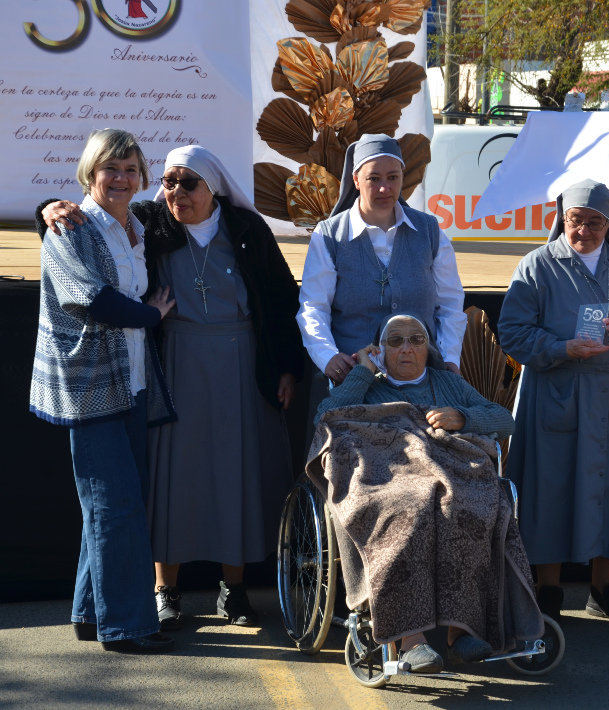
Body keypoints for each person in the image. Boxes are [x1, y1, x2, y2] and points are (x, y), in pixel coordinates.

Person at [39, 145, 304, 630]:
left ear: (213, 187)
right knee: (173, 477)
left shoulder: (247, 230)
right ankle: (165, 589)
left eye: (188, 183)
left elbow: (283, 299)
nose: (175, 191)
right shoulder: (151, 221)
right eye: (168, 181)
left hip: (243, 369)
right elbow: (88, 218)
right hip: (175, 367)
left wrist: (287, 367)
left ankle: (235, 589)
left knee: (235, 474)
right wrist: (48, 209)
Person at [498, 179, 609, 625]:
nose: (585, 231)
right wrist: (563, 349)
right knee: (550, 490)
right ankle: (548, 590)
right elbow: (513, 333)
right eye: (576, 220)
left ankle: (605, 589)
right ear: (562, 218)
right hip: (558, 393)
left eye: (596, 222)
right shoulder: (537, 266)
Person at [30, 128, 176, 653]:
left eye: (131, 169)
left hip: (131, 382)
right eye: (110, 169)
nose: (121, 178)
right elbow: (88, 299)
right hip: (89, 385)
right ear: (90, 173)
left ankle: (90, 612)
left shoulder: (137, 224)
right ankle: (128, 626)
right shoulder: (70, 230)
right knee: (115, 505)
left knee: (115, 501)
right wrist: (150, 315)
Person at [314, 313, 526, 673]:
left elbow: (503, 419)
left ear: (428, 348)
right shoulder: (369, 385)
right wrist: (363, 370)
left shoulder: (448, 383)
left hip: (451, 473)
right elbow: (327, 414)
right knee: (407, 510)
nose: (407, 348)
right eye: (394, 341)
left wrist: (461, 417)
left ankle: (462, 634)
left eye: (416, 339)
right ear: (380, 350)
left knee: (464, 507)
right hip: (389, 477)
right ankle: (410, 641)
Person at [297, 133, 466, 389]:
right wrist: (327, 356)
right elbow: (314, 307)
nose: (384, 188)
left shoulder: (430, 230)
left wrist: (450, 357)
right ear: (356, 179)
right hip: (354, 380)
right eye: (373, 179)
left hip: (423, 379)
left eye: (392, 178)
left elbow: (450, 305)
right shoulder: (330, 235)